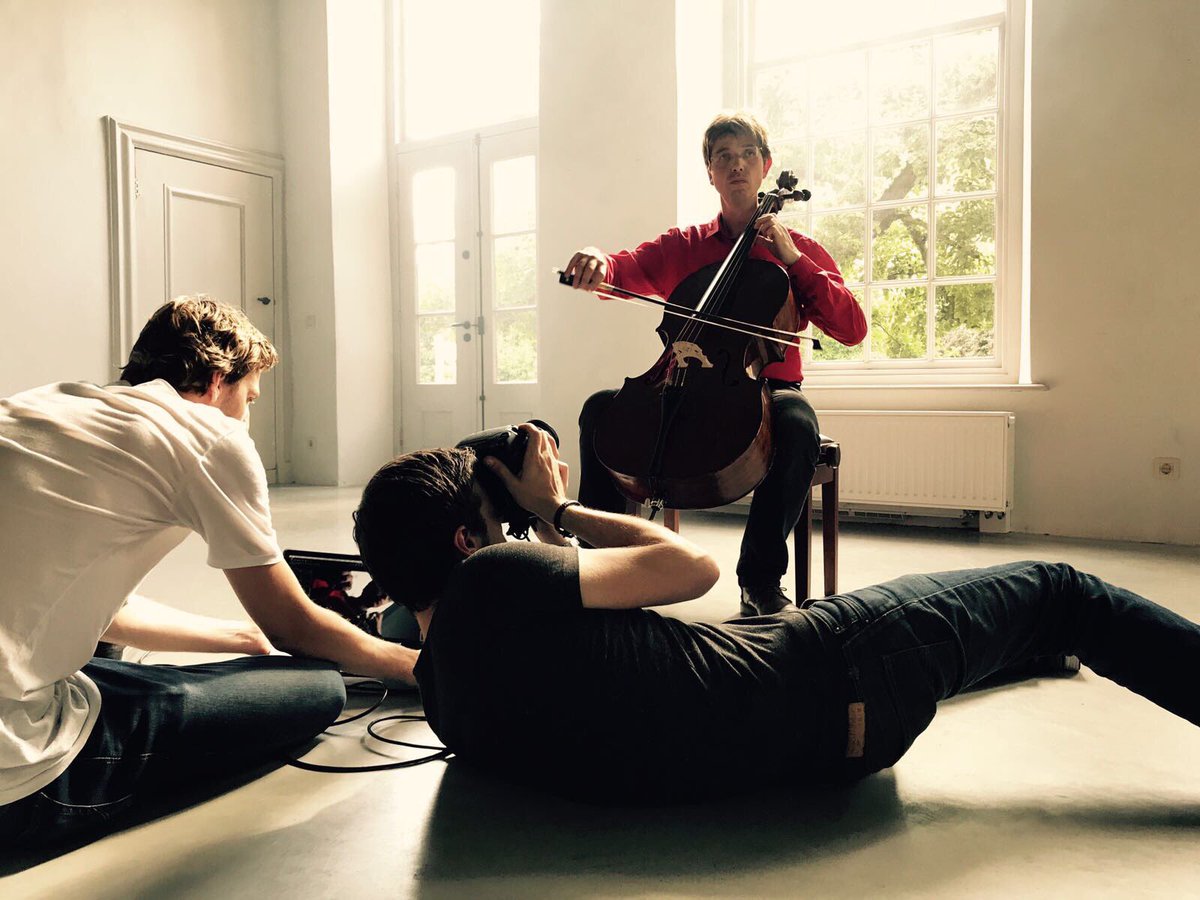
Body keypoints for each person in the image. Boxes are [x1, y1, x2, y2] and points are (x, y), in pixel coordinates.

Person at [352, 424, 1199, 803]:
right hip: (850, 665)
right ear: (471, 540)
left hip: (822, 752)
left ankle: (1029, 649)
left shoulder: (444, 698)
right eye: (496, 522)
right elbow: (694, 566)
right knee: (1061, 589)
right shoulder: (497, 577)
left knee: (1013, 625)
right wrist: (559, 514)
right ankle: (1047, 634)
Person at [0, 296, 418, 846]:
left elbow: (88, 604)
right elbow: (293, 628)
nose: (247, 414)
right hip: (18, 784)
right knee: (318, 686)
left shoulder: (40, 406)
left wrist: (240, 637)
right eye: (249, 396)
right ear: (218, 380)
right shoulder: (209, 435)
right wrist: (420, 667)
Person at [562, 111, 868, 618]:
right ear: (710, 172)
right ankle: (602, 569)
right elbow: (624, 271)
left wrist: (793, 261)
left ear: (765, 166)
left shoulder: (799, 252)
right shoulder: (684, 246)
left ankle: (760, 580)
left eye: (747, 154)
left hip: (766, 392)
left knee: (796, 422)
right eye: (723, 156)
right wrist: (596, 258)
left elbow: (851, 328)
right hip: (682, 385)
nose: (736, 165)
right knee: (600, 411)